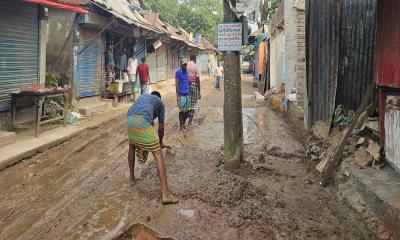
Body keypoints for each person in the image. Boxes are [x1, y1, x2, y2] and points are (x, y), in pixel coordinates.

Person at [127, 91, 179, 205]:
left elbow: (149, 125)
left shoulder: (144, 97)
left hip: (129, 118)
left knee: (132, 146)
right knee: (158, 155)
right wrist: (160, 143)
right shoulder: (160, 103)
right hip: (142, 120)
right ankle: (166, 195)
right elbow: (160, 128)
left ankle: (132, 179)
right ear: (158, 98)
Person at [175, 58, 191, 130]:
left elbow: (188, 82)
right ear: (181, 65)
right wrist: (177, 95)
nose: (185, 66)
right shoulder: (178, 72)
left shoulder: (187, 72)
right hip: (181, 94)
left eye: (186, 65)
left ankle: (183, 123)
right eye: (184, 65)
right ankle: (181, 126)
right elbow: (177, 84)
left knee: (187, 111)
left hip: (187, 93)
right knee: (181, 111)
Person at [187, 54, 201, 125]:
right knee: (193, 103)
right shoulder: (196, 67)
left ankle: (183, 121)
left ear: (190, 58)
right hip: (193, 85)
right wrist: (199, 92)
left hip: (185, 86)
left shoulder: (185, 65)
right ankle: (190, 121)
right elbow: (198, 79)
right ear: (195, 59)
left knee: (186, 102)